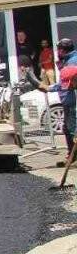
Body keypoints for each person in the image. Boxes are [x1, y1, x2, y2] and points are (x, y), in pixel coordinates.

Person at [50, 38, 77, 166]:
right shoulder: (68, 61)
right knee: (68, 128)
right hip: (69, 100)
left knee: (71, 130)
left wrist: (50, 88)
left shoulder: (72, 62)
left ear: (62, 50)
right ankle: (72, 155)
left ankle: (73, 156)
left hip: (72, 101)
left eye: (58, 49)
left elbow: (67, 83)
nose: (57, 52)